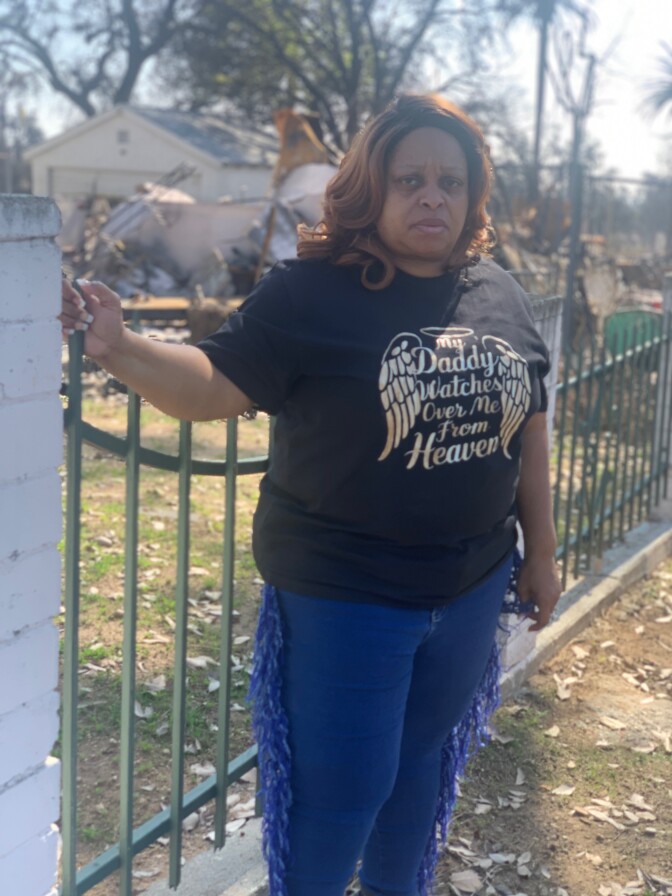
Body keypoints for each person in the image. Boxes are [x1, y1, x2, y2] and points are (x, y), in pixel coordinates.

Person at [60, 94, 561, 896]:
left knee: (420, 772)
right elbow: (215, 382)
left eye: (451, 181)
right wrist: (120, 347)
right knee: (340, 798)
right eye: (410, 180)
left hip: (472, 588)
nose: (432, 197)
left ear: (473, 196)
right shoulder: (313, 293)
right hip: (348, 597)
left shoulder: (497, 290)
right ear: (371, 186)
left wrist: (542, 553)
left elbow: (529, 422)